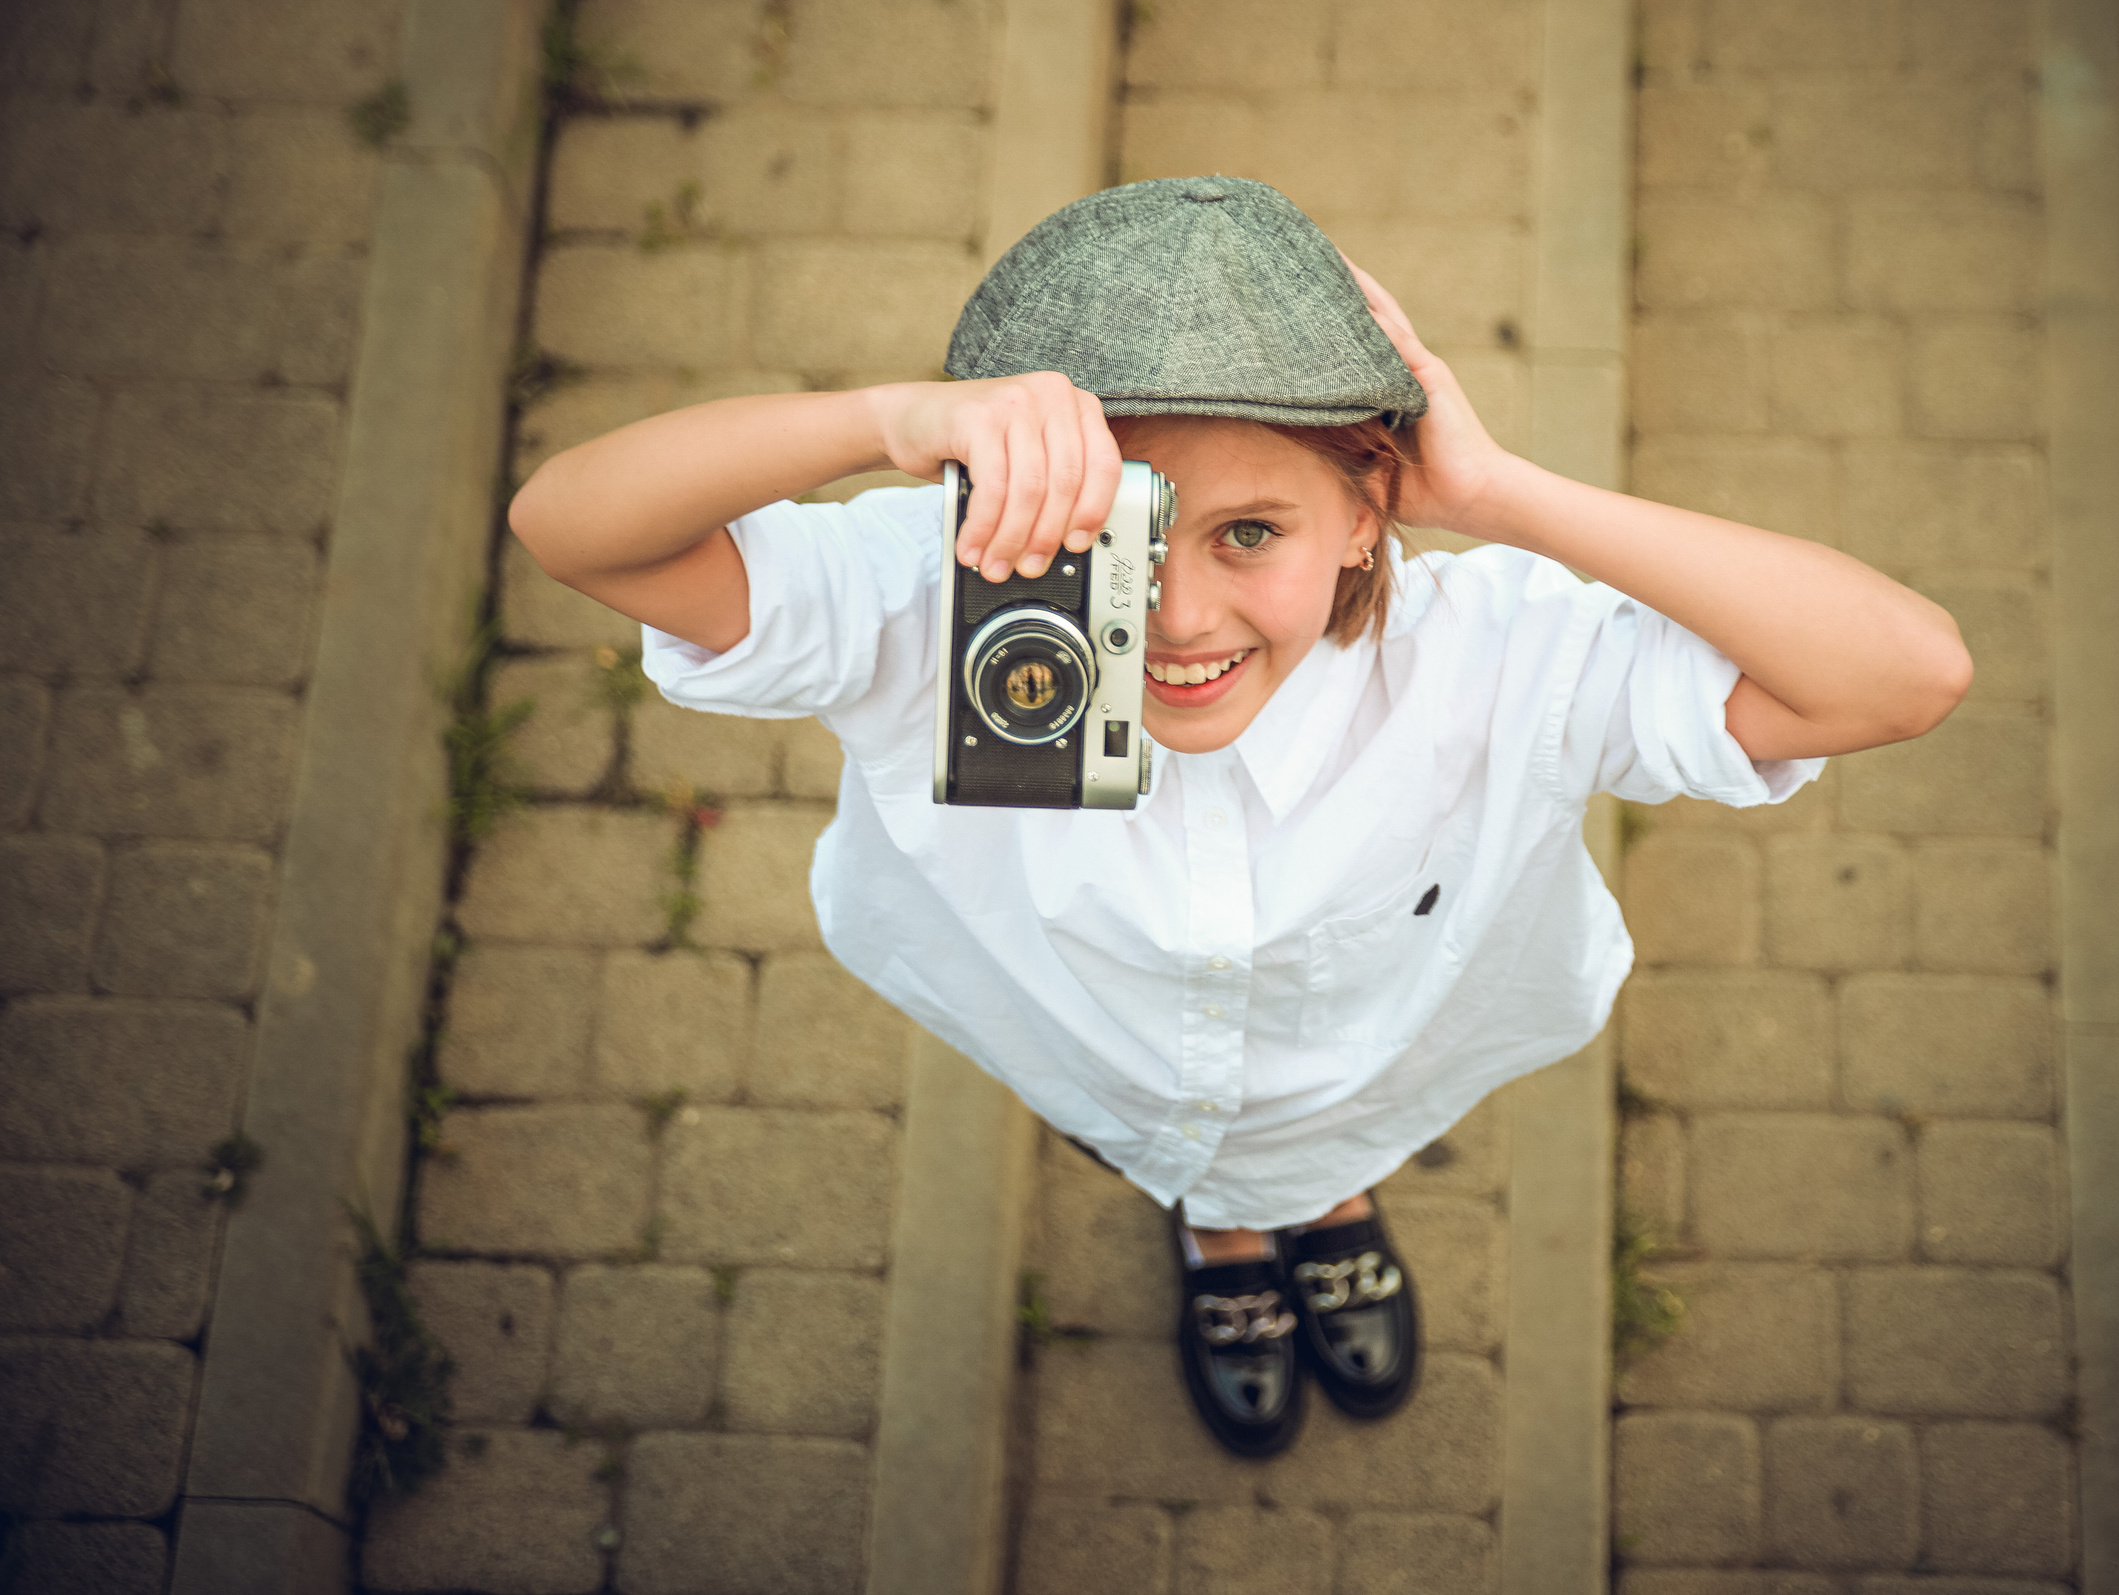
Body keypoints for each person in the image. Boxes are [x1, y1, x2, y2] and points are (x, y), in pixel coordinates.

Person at [508, 177, 1971, 1457]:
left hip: (1379, 1062)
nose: (1177, 618)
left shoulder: (1502, 658)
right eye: (1110, 536)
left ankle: (1324, 1210)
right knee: (1168, 1150)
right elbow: (572, 527)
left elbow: (1906, 677)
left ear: (1368, 508)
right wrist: (887, 422)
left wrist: (1509, 497)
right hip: (1090, 1047)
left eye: (1250, 534)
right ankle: (1218, 1235)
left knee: (1339, 1134)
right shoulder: (929, 598)